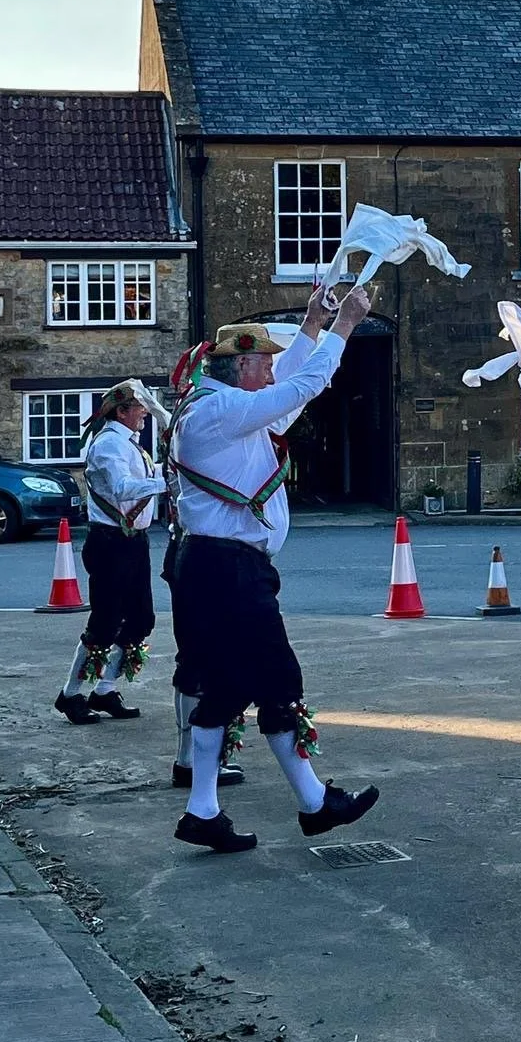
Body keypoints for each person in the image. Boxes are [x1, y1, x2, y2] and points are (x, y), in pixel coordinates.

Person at [169, 287, 380, 854]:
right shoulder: (222, 411)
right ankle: (314, 802)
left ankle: (203, 810)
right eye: (261, 361)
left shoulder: (220, 406)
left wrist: (313, 321)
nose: (269, 369)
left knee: (227, 686)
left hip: (214, 567)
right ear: (240, 365)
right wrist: (347, 327)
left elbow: (287, 386)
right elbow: (303, 385)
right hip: (229, 570)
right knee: (278, 681)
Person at [54, 381, 167, 726]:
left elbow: (143, 482)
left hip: (133, 541)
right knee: (104, 622)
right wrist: (169, 482)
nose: (145, 412)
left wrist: (171, 473)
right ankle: (70, 694)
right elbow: (121, 489)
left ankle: (103, 690)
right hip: (110, 543)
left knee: (141, 620)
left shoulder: (130, 446)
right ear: (121, 411)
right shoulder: (107, 446)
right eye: (139, 407)